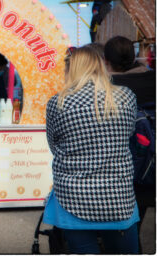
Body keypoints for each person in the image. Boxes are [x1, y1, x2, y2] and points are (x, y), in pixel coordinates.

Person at [43, 46, 139, 253]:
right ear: (100, 65)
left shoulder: (58, 103)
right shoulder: (126, 97)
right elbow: (129, 134)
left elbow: (54, 145)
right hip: (118, 197)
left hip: (73, 198)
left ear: (72, 69)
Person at [104, 36, 156, 252]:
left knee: (119, 225)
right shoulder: (152, 78)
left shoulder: (109, 86)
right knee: (138, 214)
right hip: (149, 159)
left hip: (118, 162)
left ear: (106, 60)